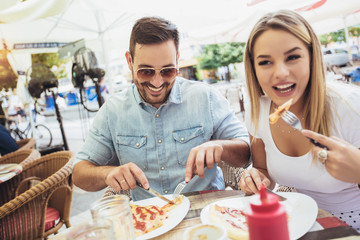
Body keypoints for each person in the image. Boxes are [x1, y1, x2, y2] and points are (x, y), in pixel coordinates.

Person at [72, 16, 250, 201]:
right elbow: (78, 174)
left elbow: (247, 151)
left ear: (178, 60)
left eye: (167, 70)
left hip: (205, 211)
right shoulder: (113, 111)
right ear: (129, 61)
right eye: (146, 71)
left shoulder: (205, 98)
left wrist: (219, 146)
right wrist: (107, 173)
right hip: (149, 218)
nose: (157, 82)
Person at [239, 9, 360, 231]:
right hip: (305, 224)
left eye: (293, 57)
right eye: (265, 62)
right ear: (253, 69)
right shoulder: (257, 111)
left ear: (312, 57)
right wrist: (255, 178)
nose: (281, 73)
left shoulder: (351, 106)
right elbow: (264, 173)